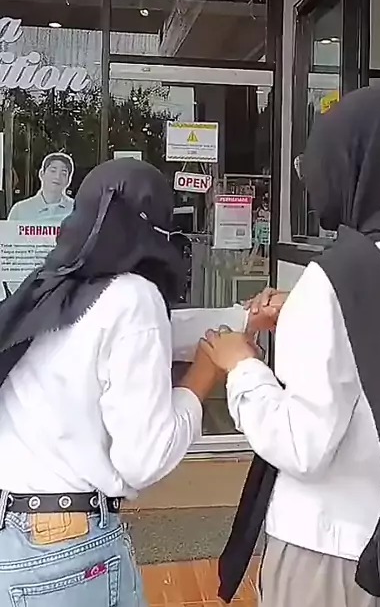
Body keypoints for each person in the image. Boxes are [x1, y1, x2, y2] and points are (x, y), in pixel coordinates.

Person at [201, 86, 380, 607]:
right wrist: (304, 312)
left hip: (331, 555)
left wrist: (241, 367)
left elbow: (301, 447)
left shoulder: (335, 280)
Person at [0, 158, 222, 606]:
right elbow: (143, 459)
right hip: (68, 552)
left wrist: (239, 320)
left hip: (15, 537)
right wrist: (205, 375)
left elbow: (139, 333)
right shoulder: (134, 298)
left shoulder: (52, 287)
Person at [8, 152, 74, 223]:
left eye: (63, 173)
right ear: (42, 174)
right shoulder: (19, 210)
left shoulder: (76, 210)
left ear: (69, 180)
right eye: (53, 171)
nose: (57, 177)